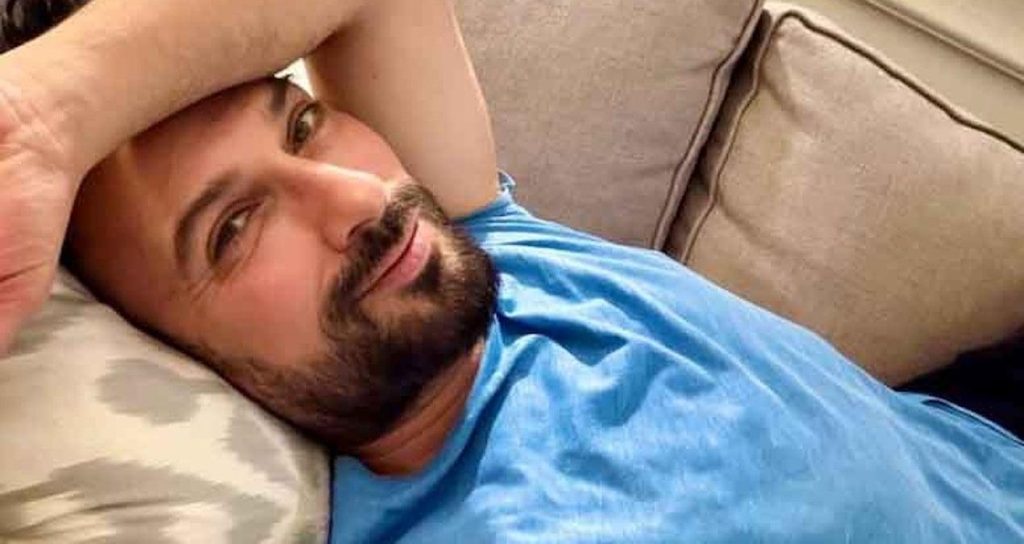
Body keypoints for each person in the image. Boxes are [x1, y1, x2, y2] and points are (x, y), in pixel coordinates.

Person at [0, 0, 1021, 542]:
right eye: (233, 230)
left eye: (304, 126)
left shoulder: (478, 247)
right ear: (167, 356)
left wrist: (42, 116)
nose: (360, 199)